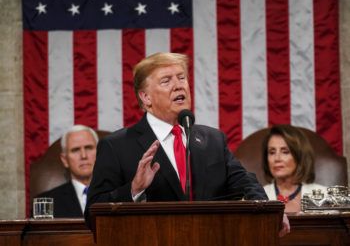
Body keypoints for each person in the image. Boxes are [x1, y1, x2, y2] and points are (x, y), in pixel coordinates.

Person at [85, 52, 289, 236]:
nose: (178, 85)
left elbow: (245, 183)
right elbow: (92, 213)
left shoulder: (212, 140)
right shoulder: (117, 146)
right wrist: (133, 189)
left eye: (181, 78)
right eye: (166, 81)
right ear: (145, 97)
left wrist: (272, 212)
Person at [262, 124, 328, 213]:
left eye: (285, 152)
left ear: (300, 156)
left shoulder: (325, 195)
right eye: (272, 152)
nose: (277, 158)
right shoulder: (256, 198)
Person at [37, 125, 98, 217]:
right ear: (65, 160)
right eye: (75, 150)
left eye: (89, 148)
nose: (84, 155)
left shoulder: (119, 195)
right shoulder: (46, 203)